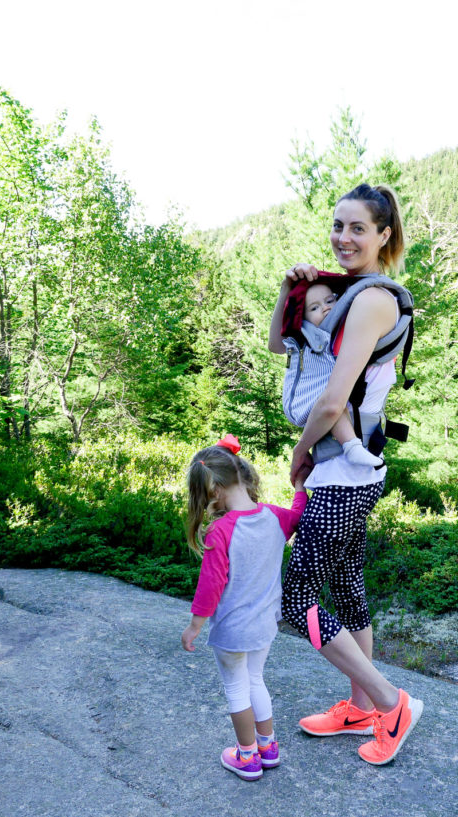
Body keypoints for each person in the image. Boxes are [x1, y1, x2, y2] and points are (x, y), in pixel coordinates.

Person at [268, 183, 423, 766]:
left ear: (385, 236)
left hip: (341, 473)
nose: (343, 237)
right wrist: (289, 289)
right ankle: (361, 703)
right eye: (338, 225)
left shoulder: (373, 299)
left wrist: (300, 453)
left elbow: (332, 402)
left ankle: (390, 700)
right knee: (348, 585)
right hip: (350, 471)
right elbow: (283, 345)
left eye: (358, 228)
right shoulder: (351, 294)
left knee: (298, 596)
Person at [180, 434, 308, 781]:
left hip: (233, 631)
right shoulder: (274, 518)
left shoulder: (221, 531)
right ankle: (268, 748)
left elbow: (210, 586)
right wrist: (299, 486)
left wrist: (195, 626)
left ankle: (247, 756)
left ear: (215, 491)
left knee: (237, 688)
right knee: (256, 681)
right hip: (265, 626)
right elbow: (298, 513)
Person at [269, 279, 384, 469]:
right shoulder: (302, 336)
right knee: (332, 404)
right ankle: (352, 446)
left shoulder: (341, 331)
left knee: (335, 401)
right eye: (314, 308)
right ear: (302, 318)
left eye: (330, 301)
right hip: (302, 401)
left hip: (323, 401)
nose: (325, 308)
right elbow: (274, 345)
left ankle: (353, 446)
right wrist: (285, 291)